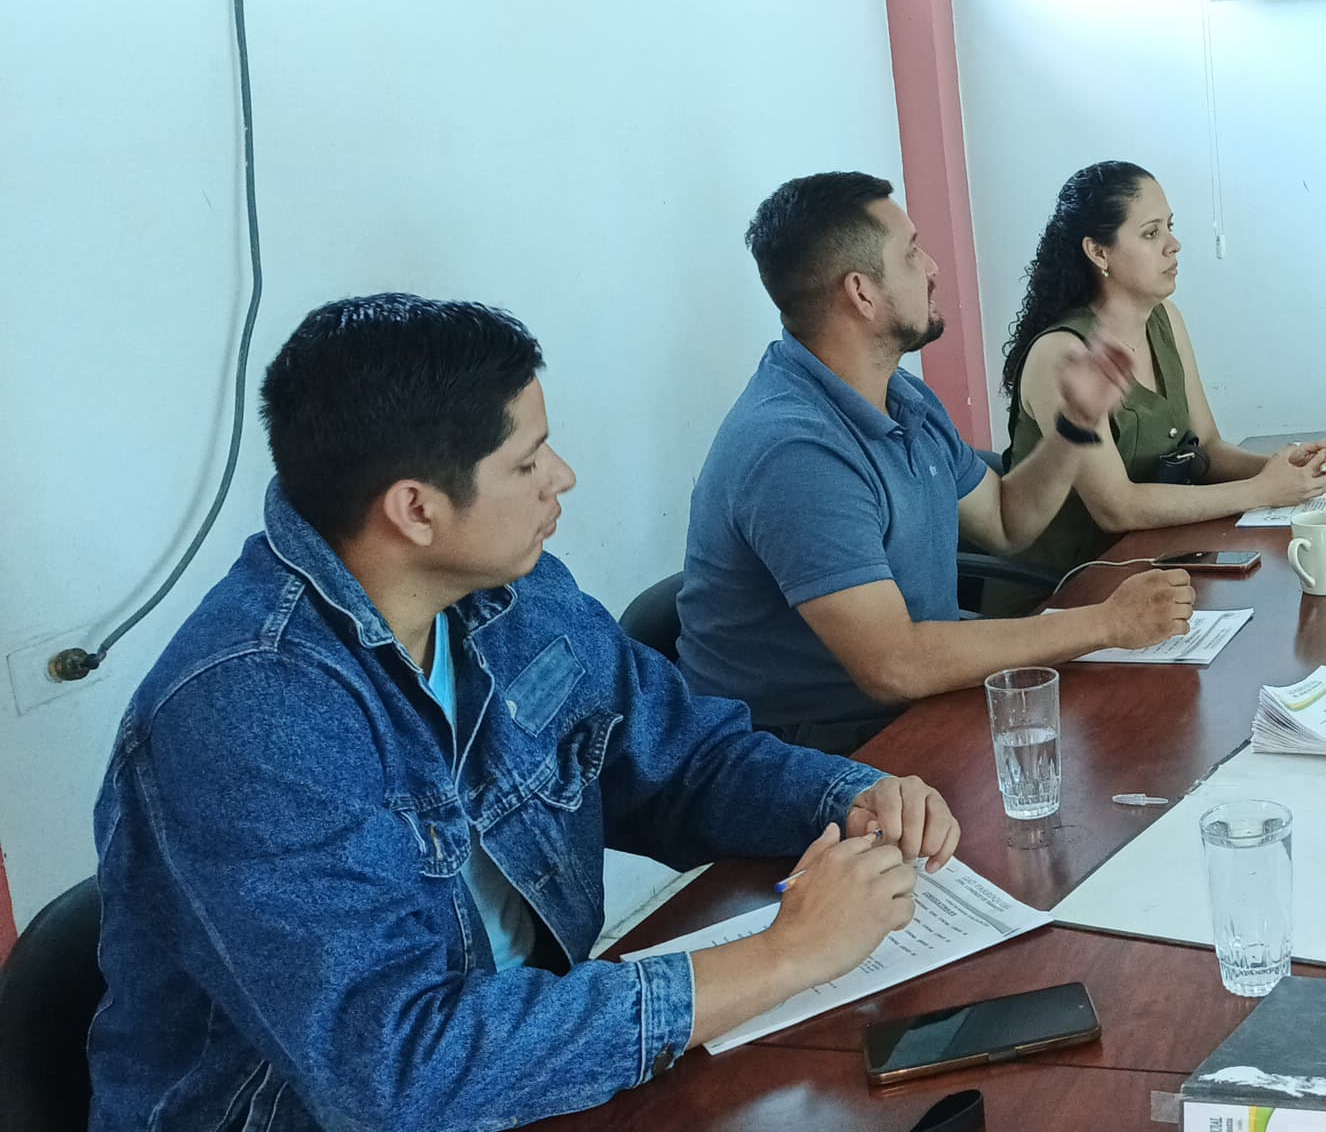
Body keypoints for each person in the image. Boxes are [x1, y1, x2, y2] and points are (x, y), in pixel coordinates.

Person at [89, 294, 963, 1132]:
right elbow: (395, 1074)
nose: (562, 478)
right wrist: (786, 954)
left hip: (543, 1073)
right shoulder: (249, 718)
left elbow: (681, 759)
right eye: (527, 461)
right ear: (417, 509)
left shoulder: (510, 592)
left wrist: (845, 796)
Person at [681, 172, 1198, 754]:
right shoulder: (795, 452)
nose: (932, 267)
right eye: (911, 252)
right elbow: (895, 665)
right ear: (861, 293)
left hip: (916, 707)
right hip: (810, 753)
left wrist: (1074, 427)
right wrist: (1107, 623)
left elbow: (1006, 523)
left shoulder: (903, 396)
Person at [1000, 160, 1326, 580]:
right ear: (1098, 252)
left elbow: (1207, 447)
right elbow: (1116, 508)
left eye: (1169, 227)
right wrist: (1260, 490)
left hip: (1157, 563)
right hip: (1068, 587)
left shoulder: (1166, 319)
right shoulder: (1061, 354)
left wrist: (1279, 469)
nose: (1173, 245)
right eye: (1151, 233)